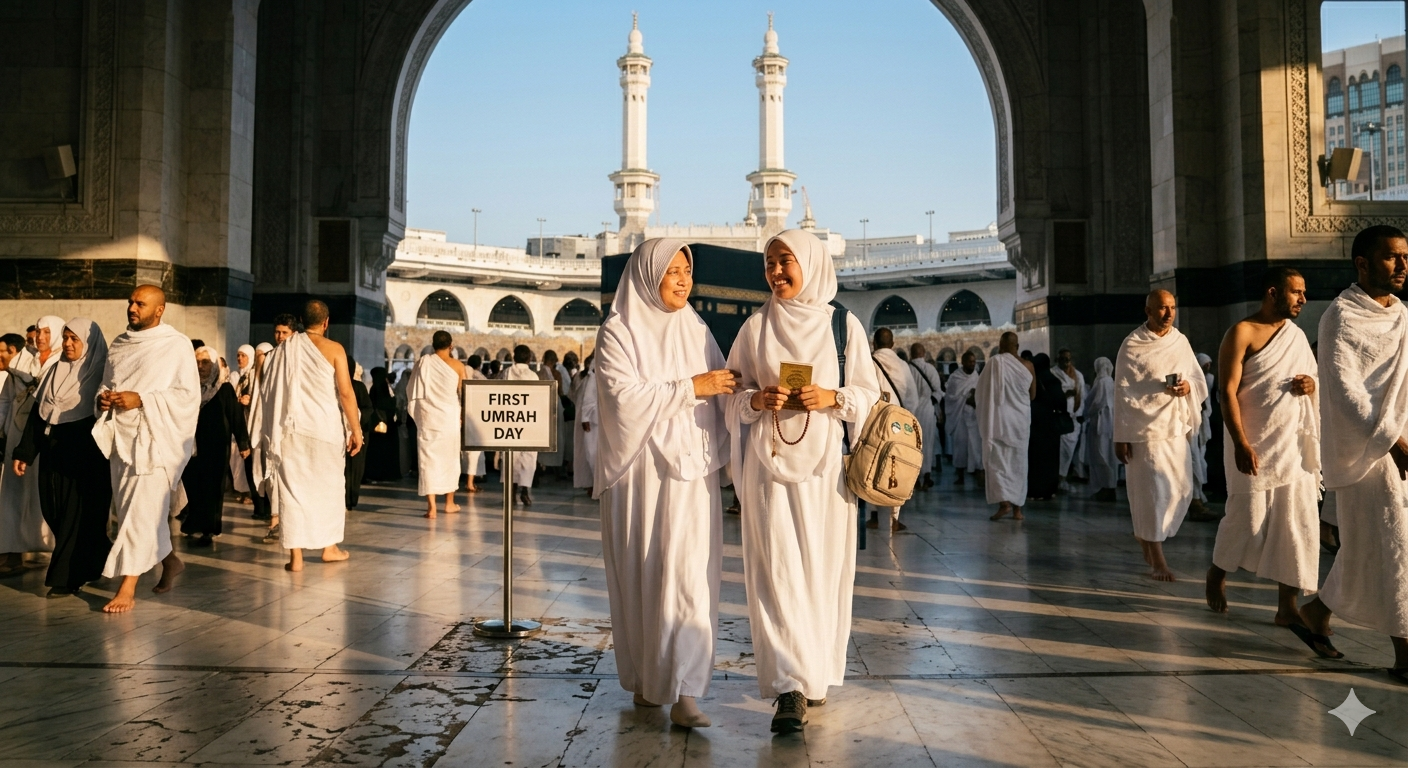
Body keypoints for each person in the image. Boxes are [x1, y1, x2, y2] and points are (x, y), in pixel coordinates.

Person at [724, 229, 883, 734]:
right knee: (778, 575)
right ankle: (788, 687)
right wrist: (754, 401)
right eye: (769, 263)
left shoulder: (843, 326)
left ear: (810, 263)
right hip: (769, 470)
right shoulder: (755, 328)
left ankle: (811, 674)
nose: (776, 272)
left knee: (819, 573)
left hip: (827, 476)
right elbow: (732, 392)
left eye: (785, 261)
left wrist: (832, 398)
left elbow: (869, 395)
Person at [593, 238, 733, 728]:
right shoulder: (620, 330)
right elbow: (621, 397)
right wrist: (690, 387)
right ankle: (651, 680)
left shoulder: (694, 326)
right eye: (671, 270)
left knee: (690, 576)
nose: (681, 280)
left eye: (686, 271)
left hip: (692, 475)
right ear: (647, 273)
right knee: (646, 574)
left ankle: (687, 690)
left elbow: (724, 385)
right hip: (642, 476)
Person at [1298, 225, 1408, 671]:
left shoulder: (1402, 314)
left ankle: (1315, 611)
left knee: (1367, 548)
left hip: (1404, 441)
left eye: (1405, 256)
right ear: (1362, 263)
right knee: (1396, 547)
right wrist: (1392, 441)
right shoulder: (1340, 317)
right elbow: (1346, 391)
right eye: (1391, 257)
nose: (1402, 265)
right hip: (1370, 453)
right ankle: (1404, 655)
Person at [1205, 267, 1320, 628]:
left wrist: (1310, 384)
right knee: (1247, 518)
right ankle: (1217, 571)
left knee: (1297, 524)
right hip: (1253, 441)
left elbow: (1315, 378)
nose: (1303, 299)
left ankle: (1287, 606)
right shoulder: (1241, 332)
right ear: (1273, 292)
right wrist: (1240, 442)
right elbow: (1226, 391)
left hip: (1293, 446)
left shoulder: (1297, 337)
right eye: (1296, 292)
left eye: (1304, 293)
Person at [92, 286, 200, 612]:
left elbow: (187, 396)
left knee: (140, 514)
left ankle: (127, 586)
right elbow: (106, 384)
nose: (132, 308)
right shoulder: (119, 345)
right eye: (130, 302)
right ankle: (169, 562)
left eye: (141, 303)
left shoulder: (176, 345)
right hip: (122, 441)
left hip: (155, 442)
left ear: (160, 309)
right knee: (132, 512)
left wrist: (142, 399)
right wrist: (105, 399)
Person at [253, 300, 362, 572]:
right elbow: (346, 393)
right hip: (324, 429)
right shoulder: (335, 349)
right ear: (326, 323)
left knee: (292, 492)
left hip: (290, 431)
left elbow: (268, 391)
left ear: (301, 320)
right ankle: (329, 548)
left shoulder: (283, 350)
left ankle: (296, 558)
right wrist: (356, 429)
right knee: (330, 489)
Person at [11, 319, 112, 597]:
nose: (67, 344)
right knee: (53, 510)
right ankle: (98, 554)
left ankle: (66, 577)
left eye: (74, 339)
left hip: (87, 460)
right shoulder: (56, 369)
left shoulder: (101, 373)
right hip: (54, 454)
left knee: (74, 517)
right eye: (65, 338)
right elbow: (39, 412)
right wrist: (25, 452)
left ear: (88, 344)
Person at [1113, 289, 1208, 582]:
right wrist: (1121, 435)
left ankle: (1146, 539)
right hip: (1144, 434)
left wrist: (1187, 388)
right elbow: (1123, 393)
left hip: (1174, 427)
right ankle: (1158, 560)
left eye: (1172, 307)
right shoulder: (1132, 345)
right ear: (1148, 311)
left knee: (1179, 489)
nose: (1168, 313)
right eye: (1162, 308)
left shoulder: (1180, 341)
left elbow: (1196, 377)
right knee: (1152, 494)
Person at [0, 320, 60, 574]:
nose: (41, 337)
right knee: (12, 497)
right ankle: (12, 553)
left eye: (48, 332)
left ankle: (55, 552)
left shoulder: (59, 362)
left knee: (42, 497)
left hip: (42, 439)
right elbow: (5, 400)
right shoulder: (22, 362)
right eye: (39, 331)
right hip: (16, 435)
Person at [175, 347, 250, 545]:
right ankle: (194, 522)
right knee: (193, 484)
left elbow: (235, 417)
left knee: (212, 487)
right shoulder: (188, 388)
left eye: (206, 362)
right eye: (197, 362)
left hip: (216, 447)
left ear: (215, 365)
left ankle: (209, 528)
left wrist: (243, 443)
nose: (200, 367)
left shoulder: (224, 389)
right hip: (191, 447)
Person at [976, 333, 1035, 520]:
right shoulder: (1028, 366)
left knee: (998, 464)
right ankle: (1018, 510)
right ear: (1017, 345)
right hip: (1019, 423)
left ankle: (1005, 504)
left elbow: (981, 393)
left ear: (1001, 344)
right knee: (1019, 464)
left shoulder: (995, 363)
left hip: (999, 422)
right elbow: (1032, 395)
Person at [408, 331, 466, 518]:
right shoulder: (457, 366)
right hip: (449, 419)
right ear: (451, 346)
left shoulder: (423, 363)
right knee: (450, 460)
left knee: (428, 461)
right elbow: (464, 394)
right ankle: (449, 503)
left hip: (429, 418)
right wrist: (463, 415)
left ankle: (431, 508)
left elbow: (411, 390)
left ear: (433, 345)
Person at [869, 327, 918, 532]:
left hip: (873, 423)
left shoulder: (868, 362)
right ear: (893, 344)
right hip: (898, 425)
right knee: (895, 466)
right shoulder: (903, 366)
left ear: (874, 344)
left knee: (871, 464)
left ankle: (873, 514)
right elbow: (913, 399)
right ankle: (894, 517)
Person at [498, 345, 540, 506]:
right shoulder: (533, 376)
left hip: (509, 419)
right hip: (528, 420)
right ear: (529, 358)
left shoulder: (507, 373)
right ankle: (524, 491)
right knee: (528, 457)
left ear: (514, 357)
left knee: (510, 455)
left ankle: (511, 492)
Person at [1027, 353, 1067, 501]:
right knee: (1051, 458)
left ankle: (1034, 490)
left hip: (1035, 425)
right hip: (1051, 426)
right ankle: (1049, 490)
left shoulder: (1032, 381)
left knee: (1035, 458)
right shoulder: (1054, 381)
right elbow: (1061, 402)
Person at [943, 351, 982, 485]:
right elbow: (950, 397)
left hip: (973, 416)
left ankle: (978, 474)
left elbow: (980, 392)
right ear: (963, 362)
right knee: (960, 447)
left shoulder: (976, 375)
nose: (972, 364)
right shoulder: (955, 378)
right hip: (960, 416)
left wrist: (974, 397)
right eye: (970, 361)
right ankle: (960, 476)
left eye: (974, 362)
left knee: (976, 446)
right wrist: (966, 396)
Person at [909, 343, 943, 487]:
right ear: (923, 353)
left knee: (912, 445)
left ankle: (914, 478)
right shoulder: (930, 369)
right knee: (927, 443)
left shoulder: (907, 369)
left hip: (911, 411)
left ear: (911, 353)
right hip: (927, 411)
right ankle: (927, 475)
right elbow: (938, 391)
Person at [1084, 357, 1118, 501]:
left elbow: (1097, 402)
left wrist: (1086, 413)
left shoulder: (1103, 382)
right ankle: (1106, 486)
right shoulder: (1110, 382)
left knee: (1102, 454)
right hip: (1108, 423)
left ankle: (1106, 487)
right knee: (1108, 455)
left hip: (1101, 423)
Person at [344, 356, 374, 510]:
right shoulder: (331, 385)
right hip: (337, 432)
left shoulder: (358, 387)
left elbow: (368, 408)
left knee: (354, 468)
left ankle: (350, 498)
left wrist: (355, 421)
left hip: (357, 432)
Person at [1052, 348, 1086, 485]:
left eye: (1068, 359)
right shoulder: (1053, 373)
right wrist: (1064, 395)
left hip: (1073, 419)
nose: (1066, 362)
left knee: (1068, 451)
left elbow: (1082, 396)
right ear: (1058, 360)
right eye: (1063, 359)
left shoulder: (1078, 375)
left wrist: (1079, 413)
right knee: (1057, 452)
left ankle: (1063, 477)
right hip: (1059, 419)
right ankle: (1057, 478)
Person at [363, 367, 402, 482]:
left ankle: (377, 473)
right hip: (389, 425)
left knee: (377, 451)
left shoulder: (375, 389)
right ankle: (387, 473)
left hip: (378, 426)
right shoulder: (386, 389)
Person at [228, 345, 256, 503]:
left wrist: (249, 400)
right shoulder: (234, 375)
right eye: (238, 355)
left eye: (243, 356)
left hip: (248, 419)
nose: (240, 359)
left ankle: (249, 492)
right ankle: (240, 489)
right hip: (237, 419)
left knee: (247, 454)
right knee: (235, 456)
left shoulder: (253, 376)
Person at [571, 353, 598, 494]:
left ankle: (595, 485)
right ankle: (591, 485)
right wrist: (585, 417)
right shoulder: (589, 379)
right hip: (590, 421)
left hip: (597, 419)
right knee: (590, 453)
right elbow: (586, 400)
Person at [462, 354, 486, 493]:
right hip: (474, 413)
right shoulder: (478, 376)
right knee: (474, 450)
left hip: (459, 411)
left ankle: (463, 478)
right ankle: (470, 483)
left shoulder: (461, 371)